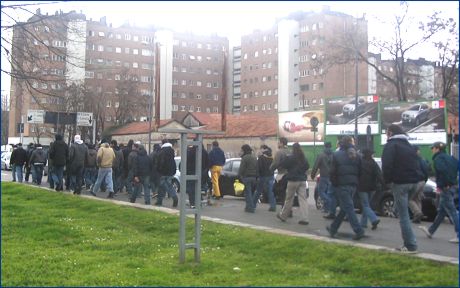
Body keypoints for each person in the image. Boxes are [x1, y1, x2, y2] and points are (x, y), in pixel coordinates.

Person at [382, 124, 419, 253]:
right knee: (401, 209)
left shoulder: (391, 146)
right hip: (413, 182)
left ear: (390, 133)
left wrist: (387, 182)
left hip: (400, 183)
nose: (386, 135)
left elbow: (386, 165)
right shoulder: (408, 145)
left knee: (403, 215)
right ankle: (409, 241)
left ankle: (410, 245)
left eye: (387, 132)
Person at [419, 142, 459, 244]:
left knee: (453, 212)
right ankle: (430, 231)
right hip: (452, 186)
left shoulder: (438, 159)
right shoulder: (451, 158)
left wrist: (442, 185)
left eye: (433, 148)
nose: (432, 150)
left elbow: (443, 172)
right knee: (441, 211)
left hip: (445, 188)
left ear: (437, 149)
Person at [326, 136, 365, 241]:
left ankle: (358, 230)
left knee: (349, 208)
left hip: (341, 185)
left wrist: (335, 184)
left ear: (341, 143)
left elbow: (332, 172)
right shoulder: (357, 155)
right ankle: (333, 228)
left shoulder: (337, 155)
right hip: (353, 185)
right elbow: (361, 170)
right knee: (345, 208)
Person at [276, 142, 310, 225]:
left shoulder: (290, 157)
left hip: (293, 180)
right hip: (302, 180)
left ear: (293, 149)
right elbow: (307, 166)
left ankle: (283, 216)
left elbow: (282, 164)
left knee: (289, 199)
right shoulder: (303, 158)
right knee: (303, 199)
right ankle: (305, 218)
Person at [357, 148, 383, 230]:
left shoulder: (360, 163)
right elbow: (379, 175)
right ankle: (363, 223)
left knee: (365, 205)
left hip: (362, 187)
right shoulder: (373, 163)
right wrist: (383, 185)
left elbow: (356, 173)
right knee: (367, 205)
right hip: (372, 187)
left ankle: (374, 219)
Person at [311, 142, 335, 218]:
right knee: (328, 192)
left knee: (321, 192)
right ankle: (326, 208)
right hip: (331, 177)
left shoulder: (321, 155)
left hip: (323, 176)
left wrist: (313, 174)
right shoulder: (334, 155)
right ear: (331, 146)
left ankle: (328, 204)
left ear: (324, 146)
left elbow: (316, 166)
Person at [410, 145, 430, 223]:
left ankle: (417, 213)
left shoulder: (412, 160)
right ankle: (417, 218)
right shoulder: (422, 159)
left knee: (410, 199)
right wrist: (425, 180)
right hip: (422, 181)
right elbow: (426, 170)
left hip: (416, 181)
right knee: (417, 199)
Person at [155, 140, 178, 207]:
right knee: (163, 186)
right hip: (170, 172)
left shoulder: (161, 152)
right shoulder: (171, 151)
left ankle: (174, 197)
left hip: (163, 172)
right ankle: (159, 201)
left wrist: (159, 170)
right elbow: (173, 162)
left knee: (165, 185)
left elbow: (160, 163)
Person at [254, 145, 276, 212]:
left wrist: (257, 176)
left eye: (261, 149)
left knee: (258, 191)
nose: (260, 150)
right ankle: (273, 206)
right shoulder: (272, 157)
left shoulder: (261, 157)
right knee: (270, 191)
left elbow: (258, 167)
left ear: (264, 149)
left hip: (262, 176)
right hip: (271, 176)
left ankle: (253, 204)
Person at [270, 137, 290, 205]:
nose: (278, 144)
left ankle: (284, 210)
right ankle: (288, 210)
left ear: (281, 143)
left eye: (278, 142)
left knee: (279, 192)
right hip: (289, 174)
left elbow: (275, 163)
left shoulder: (279, 152)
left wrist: (270, 169)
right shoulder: (289, 151)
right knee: (287, 194)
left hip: (281, 174)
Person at [238, 144, 258, 213]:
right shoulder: (254, 157)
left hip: (247, 177)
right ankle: (248, 207)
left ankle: (251, 208)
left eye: (242, 150)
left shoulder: (245, 158)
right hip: (254, 177)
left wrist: (239, 176)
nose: (241, 151)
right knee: (250, 193)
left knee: (248, 194)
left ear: (244, 150)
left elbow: (241, 169)